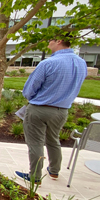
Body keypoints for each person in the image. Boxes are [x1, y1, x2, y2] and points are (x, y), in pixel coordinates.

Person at [15, 35, 87, 184]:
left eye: (51, 40)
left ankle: (34, 177)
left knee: (35, 142)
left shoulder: (48, 63)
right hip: (62, 110)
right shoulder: (81, 63)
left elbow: (29, 90)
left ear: (59, 41)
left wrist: (34, 99)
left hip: (40, 108)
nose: (48, 42)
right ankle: (54, 171)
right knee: (53, 140)